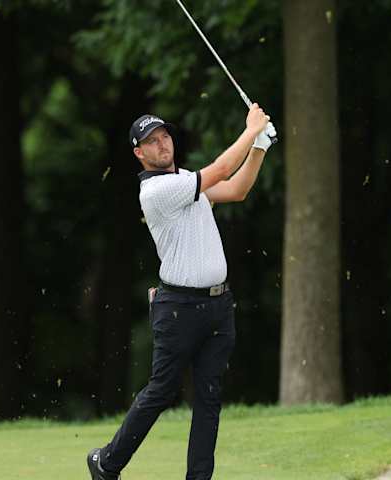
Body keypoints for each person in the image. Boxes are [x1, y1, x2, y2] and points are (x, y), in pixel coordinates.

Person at [87, 103, 275, 480]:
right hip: (179, 309)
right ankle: (107, 463)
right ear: (139, 153)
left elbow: (236, 189)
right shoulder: (158, 191)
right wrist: (251, 130)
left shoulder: (187, 181)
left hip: (218, 305)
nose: (162, 145)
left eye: (164, 137)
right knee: (162, 391)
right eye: (151, 142)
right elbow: (222, 170)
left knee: (208, 399)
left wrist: (260, 148)